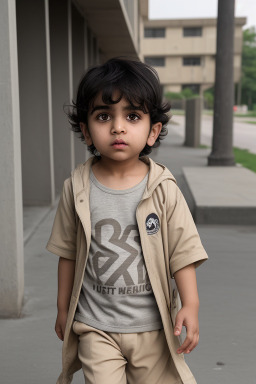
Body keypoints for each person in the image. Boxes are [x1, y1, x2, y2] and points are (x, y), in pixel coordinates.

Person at [46, 57, 208, 384]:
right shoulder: (76, 189)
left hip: (152, 327)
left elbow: (183, 252)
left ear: (153, 131)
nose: (118, 127)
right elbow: (68, 253)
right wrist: (63, 308)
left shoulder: (163, 190)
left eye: (132, 116)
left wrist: (190, 302)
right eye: (103, 116)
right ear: (86, 131)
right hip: (96, 326)